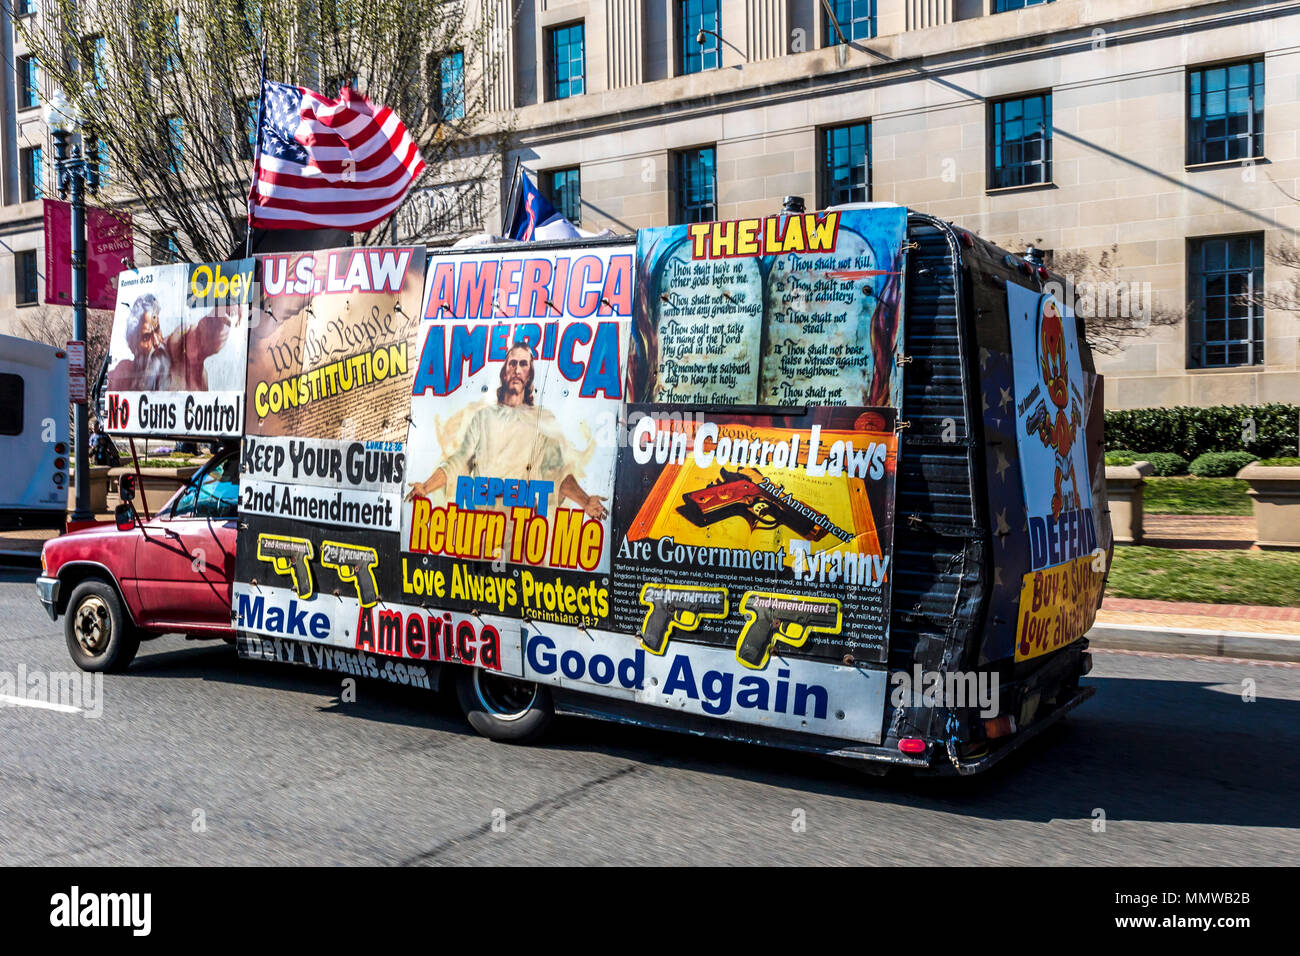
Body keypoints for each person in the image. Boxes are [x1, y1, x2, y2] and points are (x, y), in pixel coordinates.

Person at [406, 344, 607, 521]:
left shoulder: (542, 420)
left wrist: (586, 501)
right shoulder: (483, 417)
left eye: (523, 364)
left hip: (521, 527)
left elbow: (558, 473)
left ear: (530, 375)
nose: (517, 369)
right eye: (512, 364)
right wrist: (426, 486)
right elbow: (458, 463)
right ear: (505, 372)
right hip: (482, 523)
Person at [105, 292, 240, 393]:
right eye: (146, 337)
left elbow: (200, 339)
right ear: (132, 345)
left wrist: (221, 314)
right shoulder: (123, 374)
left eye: (157, 329)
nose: (157, 341)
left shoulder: (177, 348)